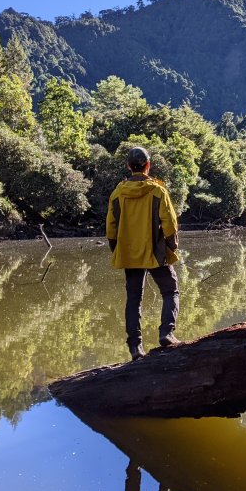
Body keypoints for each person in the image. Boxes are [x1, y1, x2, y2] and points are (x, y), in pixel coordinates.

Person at [106, 146, 180, 361]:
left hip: (129, 251)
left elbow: (111, 228)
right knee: (170, 291)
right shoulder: (158, 190)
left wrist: (117, 250)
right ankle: (167, 333)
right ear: (148, 165)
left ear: (129, 166)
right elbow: (170, 224)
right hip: (156, 251)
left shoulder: (118, 193)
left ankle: (136, 348)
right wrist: (171, 247)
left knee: (134, 298)